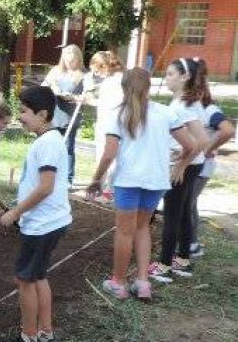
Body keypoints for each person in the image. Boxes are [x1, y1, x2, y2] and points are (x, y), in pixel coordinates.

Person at [88, 68, 197, 301]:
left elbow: (108, 154)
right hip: (156, 181)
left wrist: (96, 179)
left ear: (124, 88)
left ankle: (118, 283)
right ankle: (143, 282)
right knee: (142, 228)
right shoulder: (166, 113)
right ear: (149, 86)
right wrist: (180, 165)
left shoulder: (117, 115)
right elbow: (191, 146)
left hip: (128, 181)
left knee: (125, 232)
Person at [0, 86, 72, 342]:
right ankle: (46, 336)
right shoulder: (50, 140)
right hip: (50, 222)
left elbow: (45, 187)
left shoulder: (47, 143)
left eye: (25, 112)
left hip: (43, 225)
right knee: (38, 276)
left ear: (43, 114)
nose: (20, 117)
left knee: (24, 279)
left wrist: (15, 212)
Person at [148, 58, 209, 279]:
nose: (167, 78)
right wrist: (179, 153)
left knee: (172, 215)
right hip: (189, 163)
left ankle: (164, 265)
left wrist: (181, 164)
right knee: (182, 213)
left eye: (171, 74)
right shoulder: (183, 102)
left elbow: (202, 141)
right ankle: (182, 259)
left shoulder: (185, 105)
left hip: (185, 167)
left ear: (185, 77)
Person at [189, 77, 235, 258]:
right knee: (189, 204)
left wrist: (211, 148)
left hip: (202, 167)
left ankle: (190, 245)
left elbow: (228, 130)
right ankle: (190, 242)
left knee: (187, 204)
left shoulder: (209, 110)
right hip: (193, 164)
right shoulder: (192, 110)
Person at [41, 45, 86, 186]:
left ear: (78, 60)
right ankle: (48, 174)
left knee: (68, 147)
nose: (70, 63)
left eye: (72, 61)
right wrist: (52, 88)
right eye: (67, 60)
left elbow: (87, 96)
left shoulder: (83, 75)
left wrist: (73, 97)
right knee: (51, 144)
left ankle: (67, 178)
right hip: (55, 112)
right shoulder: (55, 71)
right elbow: (44, 85)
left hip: (70, 115)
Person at [89, 51, 124, 199]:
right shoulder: (118, 79)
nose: (97, 74)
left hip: (110, 125)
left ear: (104, 66)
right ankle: (106, 188)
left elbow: (110, 105)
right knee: (111, 157)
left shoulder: (113, 82)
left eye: (97, 71)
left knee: (108, 156)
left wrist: (90, 101)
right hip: (112, 123)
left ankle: (107, 188)